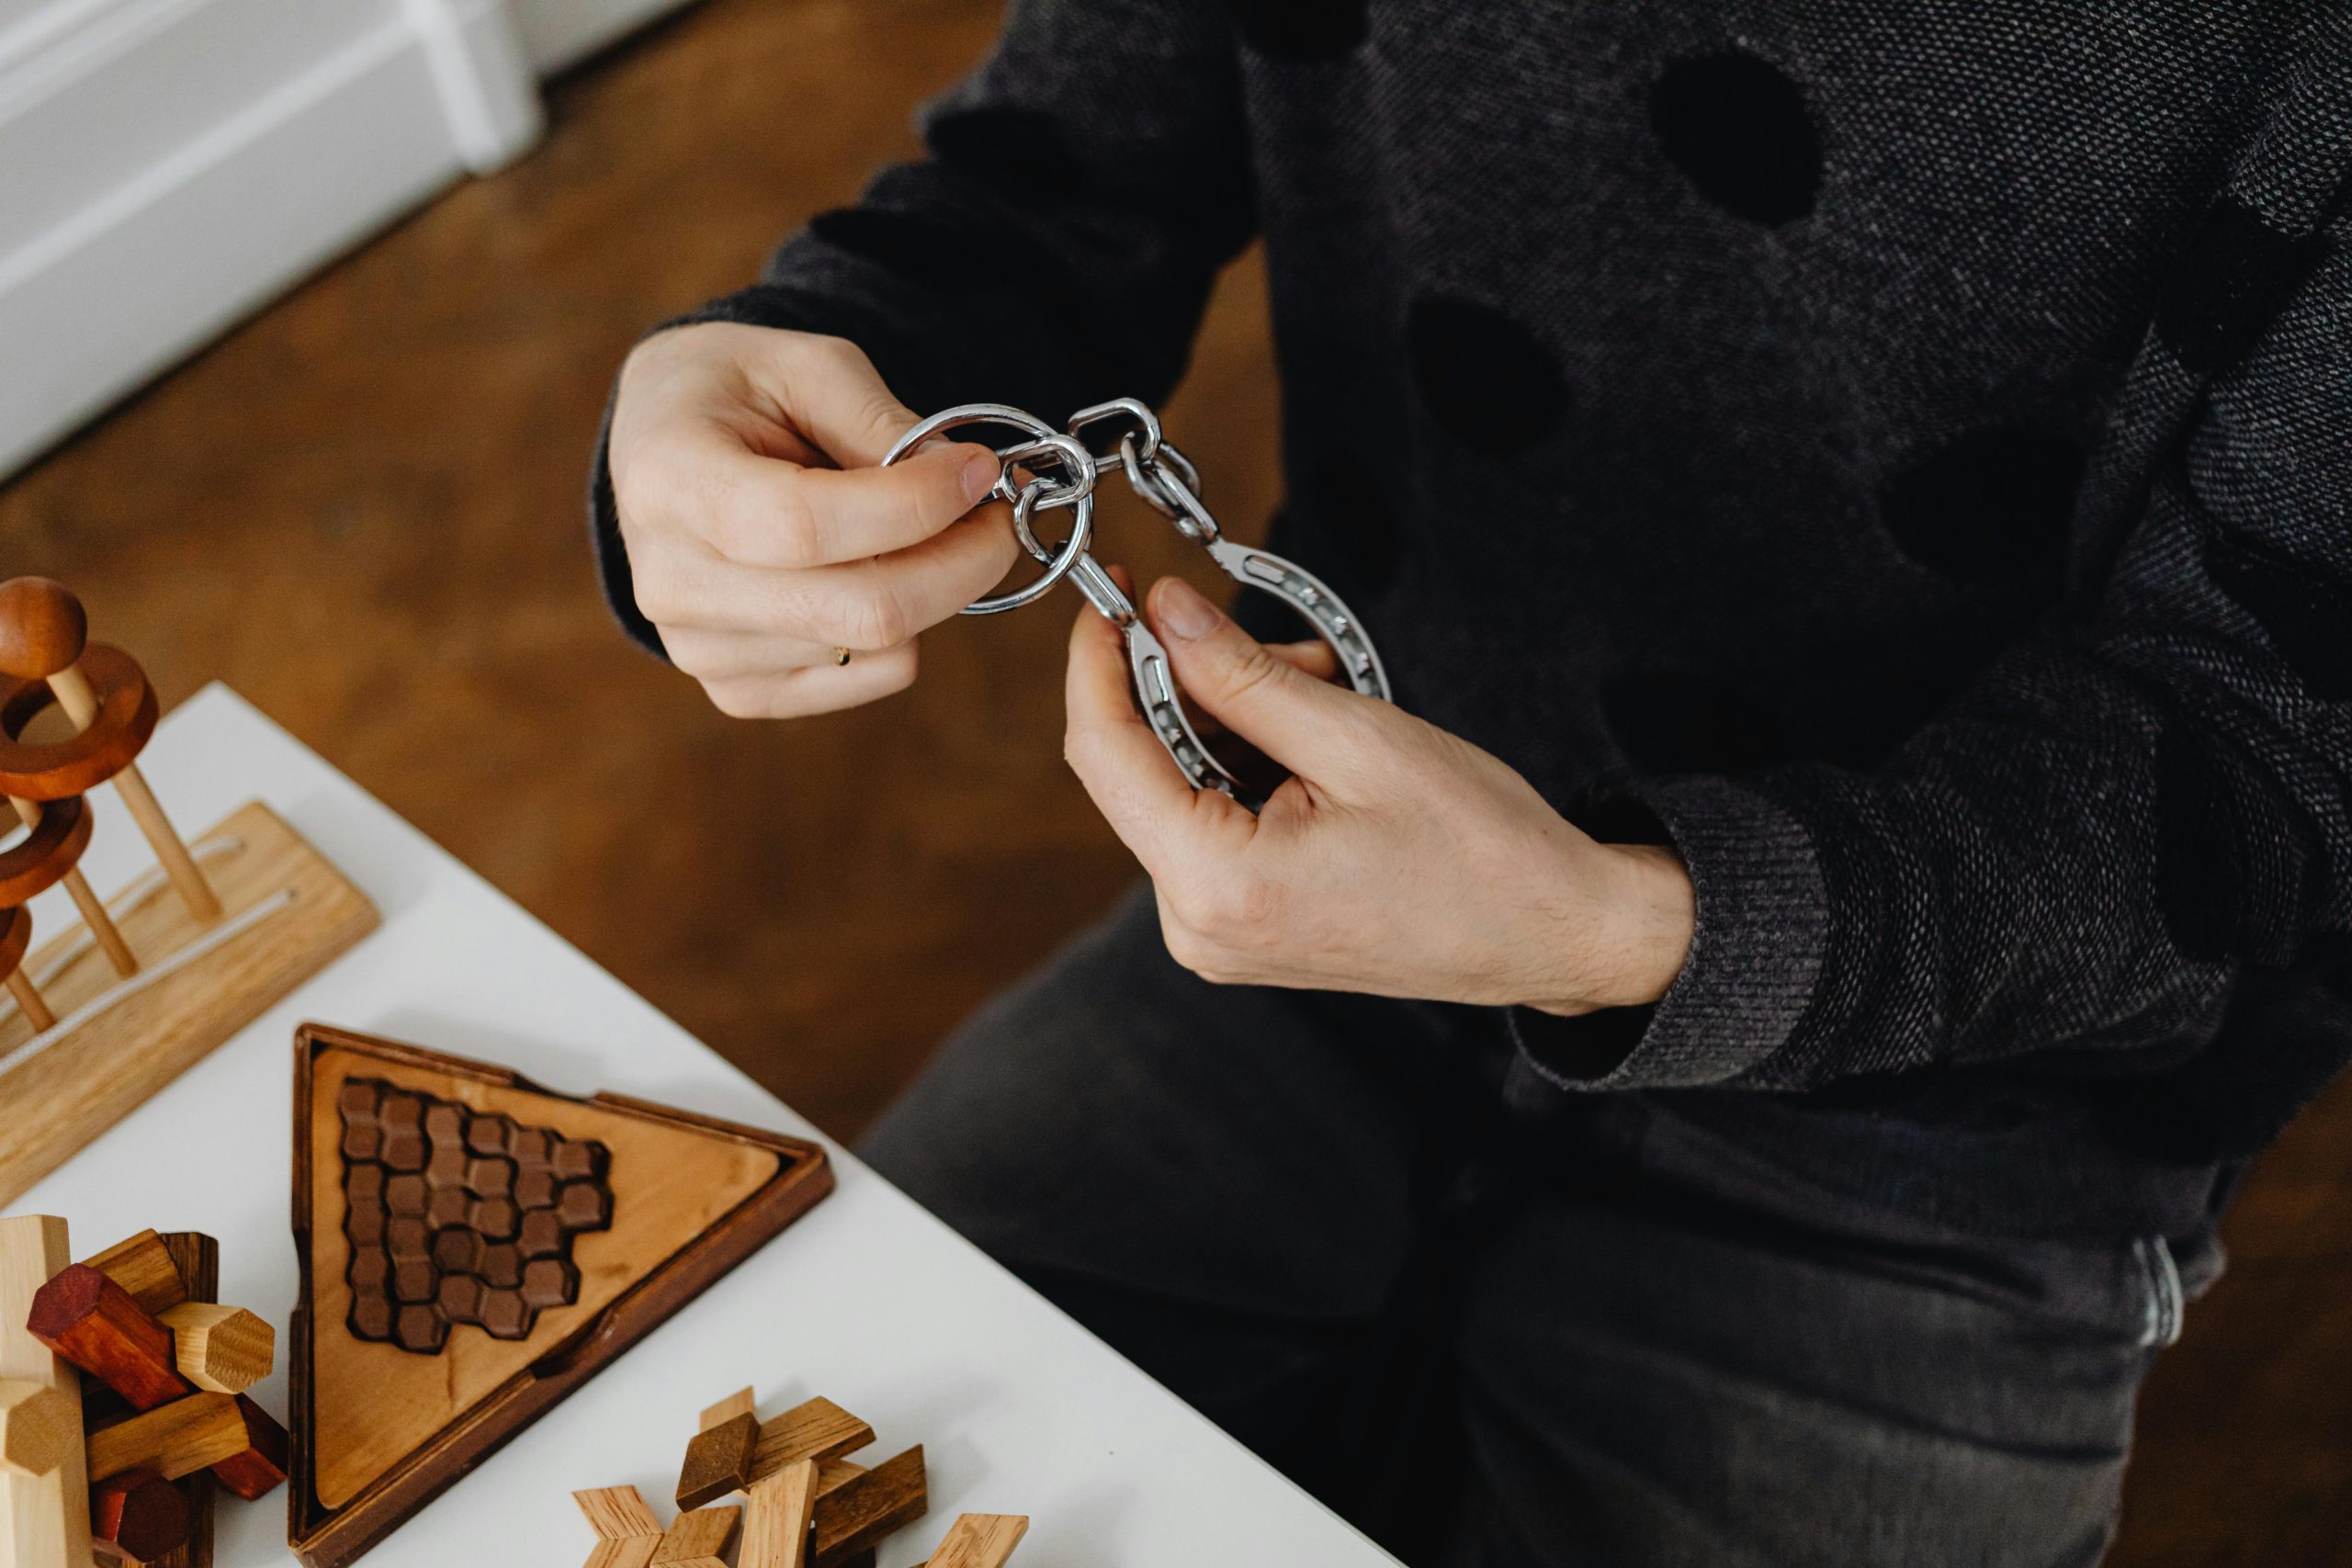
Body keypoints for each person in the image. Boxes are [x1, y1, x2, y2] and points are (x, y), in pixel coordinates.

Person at [590, 6, 2352, 1563]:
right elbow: (1053, 186)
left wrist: (1621, 926)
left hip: (1955, 1141)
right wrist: (752, 395)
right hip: (1302, 969)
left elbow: (2262, 780)